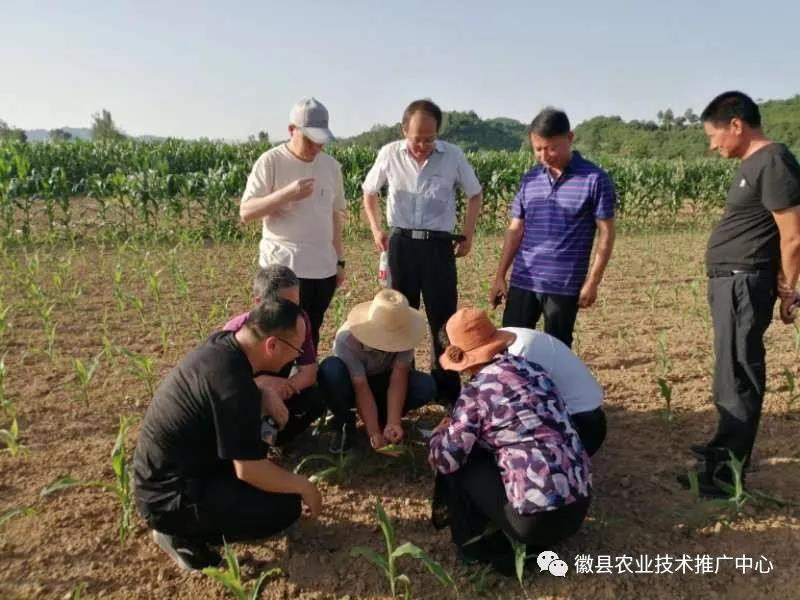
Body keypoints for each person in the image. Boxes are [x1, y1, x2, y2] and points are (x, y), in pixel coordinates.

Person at [134, 299, 322, 571]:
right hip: (170, 496)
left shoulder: (224, 346)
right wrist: (304, 486)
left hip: (182, 467)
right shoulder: (233, 386)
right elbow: (250, 470)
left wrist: (264, 392)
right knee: (285, 508)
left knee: (273, 485)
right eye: (295, 349)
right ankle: (182, 536)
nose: (296, 357)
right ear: (271, 345)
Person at [680, 91, 800, 498]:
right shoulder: (754, 164)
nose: (712, 145)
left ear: (737, 125)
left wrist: (788, 287)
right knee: (727, 375)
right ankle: (718, 456)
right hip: (730, 281)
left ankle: (727, 474)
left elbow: (793, 235)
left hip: (744, 282)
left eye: (714, 135)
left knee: (739, 377)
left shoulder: (774, 161)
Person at [429, 308, 591, 575]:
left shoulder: (476, 392)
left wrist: (439, 433)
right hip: (578, 506)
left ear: (463, 359)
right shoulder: (533, 370)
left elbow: (446, 458)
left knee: (463, 459)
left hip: (535, 521)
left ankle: (475, 547)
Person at [362, 99, 483, 403]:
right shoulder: (389, 154)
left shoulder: (452, 156)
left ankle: (445, 391)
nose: (423, 145)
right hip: (400, 244)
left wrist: (467, 233)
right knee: (399, 316)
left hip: (438, 247)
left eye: (430, 139)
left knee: (443, 320)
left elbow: (474, 193)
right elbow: (369, 191)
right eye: (417, 138)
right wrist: (377, 228)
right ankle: (406, 389)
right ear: (405, 130)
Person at [489, 108, 616, 348]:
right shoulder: (530, 179)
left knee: (556, 352)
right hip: (524, 279)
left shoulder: (595, 179)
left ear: (570, 138)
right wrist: (500, 276)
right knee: (510, 346)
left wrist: (593, 281)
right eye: (537, 149)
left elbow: (607, 233)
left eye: (551, 147)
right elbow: (515, 230)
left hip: (564, 284)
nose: (544, 155)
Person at [240, 97, 346, 349]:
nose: (315, 146)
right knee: (276, 334)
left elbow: (334, 215)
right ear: (291, 130)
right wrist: (287, 194)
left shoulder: (331, 167)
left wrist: (339, 261)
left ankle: (305, 385)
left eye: (320, 141)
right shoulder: (271, 161)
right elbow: (246, 212)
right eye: (309, 139)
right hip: (282, 268)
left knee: (310, 334)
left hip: (322, 268)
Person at [439, 325, 606, 455]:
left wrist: (449, 432)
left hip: (584, 427)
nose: (463, 371)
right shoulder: (502, 344)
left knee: (481, 445)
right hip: (579, 418)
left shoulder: (517, 360)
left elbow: (452, 453)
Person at [318, 289, 436, 453]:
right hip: (352, 385)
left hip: (383, 381)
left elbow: (398, 377)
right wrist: (373, 432)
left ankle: (384, 419)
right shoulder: (346, 340)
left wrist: (393, 422)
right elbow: (360, 385)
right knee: (331, 371)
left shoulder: (406, 334)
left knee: (425, 386)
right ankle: (345, 422)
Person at [222, 264, 324, 447]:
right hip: (246, 395)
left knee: (317, 396)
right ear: (258, 302)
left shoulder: (301, 322)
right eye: (284, 306)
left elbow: (309, 373)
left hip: (283, 389)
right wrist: (260, 387)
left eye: (296, 304)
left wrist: (282, 387)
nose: (293, 314)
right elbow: (223, 389)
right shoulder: (234, 332)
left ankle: (275, 439)